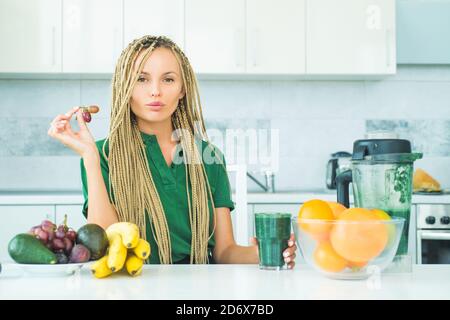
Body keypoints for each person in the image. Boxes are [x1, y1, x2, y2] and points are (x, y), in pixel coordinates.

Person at [48, 35, 297, 267]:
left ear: (182, 89)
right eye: (141, 79)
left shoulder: (209, 157)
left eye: (168, 79)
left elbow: (224, 251)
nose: (155, 90)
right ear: (125, 87)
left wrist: (260, 253)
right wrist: (89, 157)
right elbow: (103, 244)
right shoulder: (102, 155)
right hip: (133, 286)